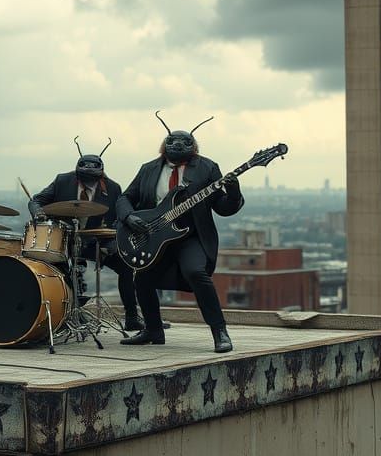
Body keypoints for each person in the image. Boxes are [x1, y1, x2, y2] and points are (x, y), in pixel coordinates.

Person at [116, 114, 242, 353]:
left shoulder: (207, 168)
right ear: (164, 144)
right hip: (154, 237)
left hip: (189, 236)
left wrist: (234, 193)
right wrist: (129, 217)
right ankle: (153, 330)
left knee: (196, 272)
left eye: (183, 142)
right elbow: (125, 198)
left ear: (193, 146)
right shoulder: (149, 169)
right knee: (142, 278)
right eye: (171, 141)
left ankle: (220, 332)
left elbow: (222, 207)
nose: (176, 146)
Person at [28, 139, 146, 331]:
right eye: (83, 179)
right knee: (62, 271)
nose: (87, 183)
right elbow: (37, 200)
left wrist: (112, 242)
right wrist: (39, 213)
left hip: (95, 243)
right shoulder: (62, 180)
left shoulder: (113, 188)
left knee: (127, 268)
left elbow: (119, 218)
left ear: (100, 176)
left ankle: (132, 316)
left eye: (92, 180)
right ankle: (66, 313)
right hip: (63, 242)